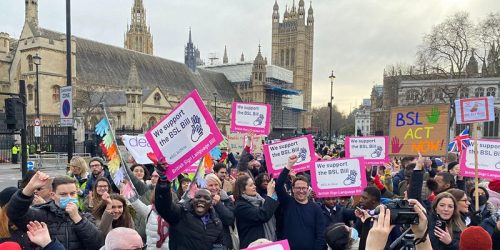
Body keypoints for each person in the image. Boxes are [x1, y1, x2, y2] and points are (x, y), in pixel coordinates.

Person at [7, 172, 102, 249]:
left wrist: (77, 218)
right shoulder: (42, 214)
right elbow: (15, 213)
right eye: (63, 194)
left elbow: (97, 244)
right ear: (53, 195)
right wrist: (29, 188)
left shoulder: (86, 217)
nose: (69, 197)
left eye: (72, 193)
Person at [154, 163, 224, 250]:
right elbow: (164, 207)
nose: (201, 200)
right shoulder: (180, 214)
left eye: (206, 198)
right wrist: (163, 181)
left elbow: (218, 247)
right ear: (192, 200)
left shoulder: (216, 224)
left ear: (210, 204)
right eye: (198, 197)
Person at [276, 155, 326, 250]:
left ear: (308, 189)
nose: (301, 191)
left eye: (304, 188)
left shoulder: (316, 208)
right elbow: (278, 185)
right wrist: (289, 165)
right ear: (293, 189)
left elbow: (320, 234)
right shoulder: (288, 203)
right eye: (298, 188)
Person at [234, 174, 279, 249]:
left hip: (265, 244)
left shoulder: (260, 201)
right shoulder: (240, 206)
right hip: (252, 245)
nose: (254, 187)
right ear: (243, 190)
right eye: (251, 185)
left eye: (254, 184)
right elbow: (263, 215)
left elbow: (271, 209)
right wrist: (269, 194)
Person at [205, 173, 235, 249]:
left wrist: (218, 204)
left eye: (216, 185)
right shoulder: (201, 201)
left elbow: (230, 220)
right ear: (205, 187)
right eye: (210, 185)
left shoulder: (226, 199)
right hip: (207, 244)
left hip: (224, 243)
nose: (214, 188)